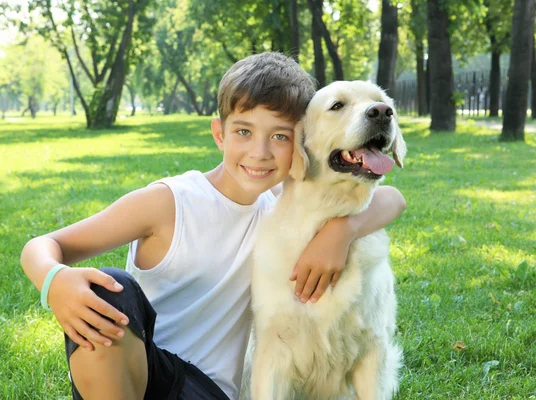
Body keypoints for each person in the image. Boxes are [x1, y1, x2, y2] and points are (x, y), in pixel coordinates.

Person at [20, 52, 406, 400]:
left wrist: (342, 231)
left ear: (301, 146)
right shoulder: (169, 202)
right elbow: (44, 244)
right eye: (243, 132)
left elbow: (392, 198)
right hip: (140, 374)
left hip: (206, 392)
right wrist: (54, 281)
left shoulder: (282, 210)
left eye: (279, 136)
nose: (259, 151)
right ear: (219, 134)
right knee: (109, 290)